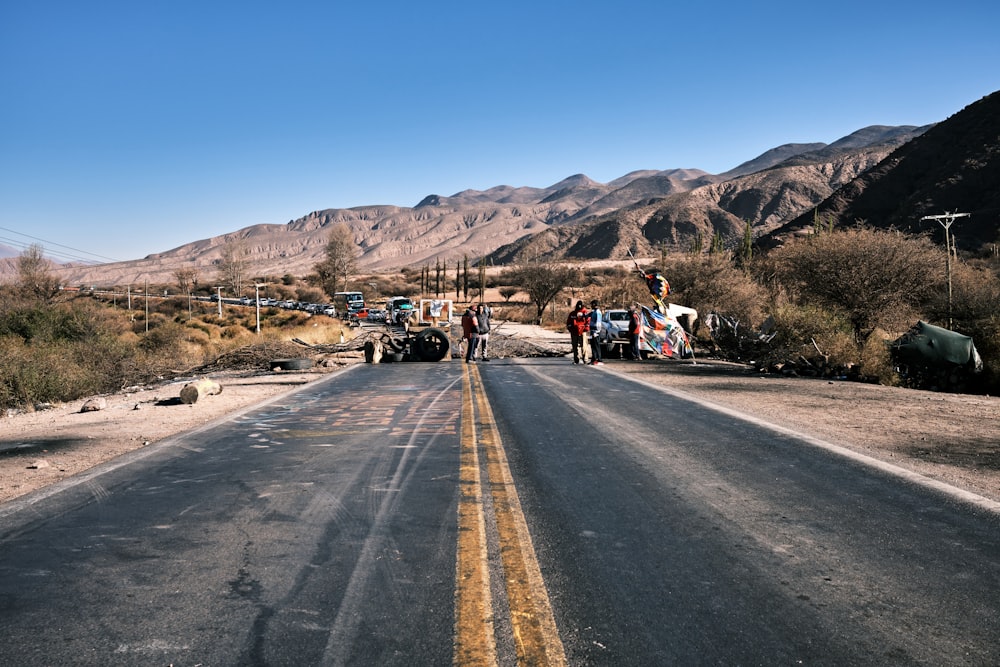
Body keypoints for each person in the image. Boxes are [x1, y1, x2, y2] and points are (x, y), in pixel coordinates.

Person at [565, 300, 590, 364]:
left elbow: (588, 321)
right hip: (574, 332)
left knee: (584, 346)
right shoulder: (572, 313)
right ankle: (576, 359)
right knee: (574, 346)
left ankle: (585, 359)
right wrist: (570, 329)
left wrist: (586, 329)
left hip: (582, 331)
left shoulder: (585, 313)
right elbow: (568, 322)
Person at [588, 299, 604, 365]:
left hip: (595, 332)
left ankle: (599, 359)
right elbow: (587, 316)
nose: (591, 306)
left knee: (596, 346)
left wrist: (597, 332)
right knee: (593, 346)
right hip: (592, 331)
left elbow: (598, 323)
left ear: (594, 305)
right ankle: (594, 359)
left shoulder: (598, 312)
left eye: (592, 304)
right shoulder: (593, 312)